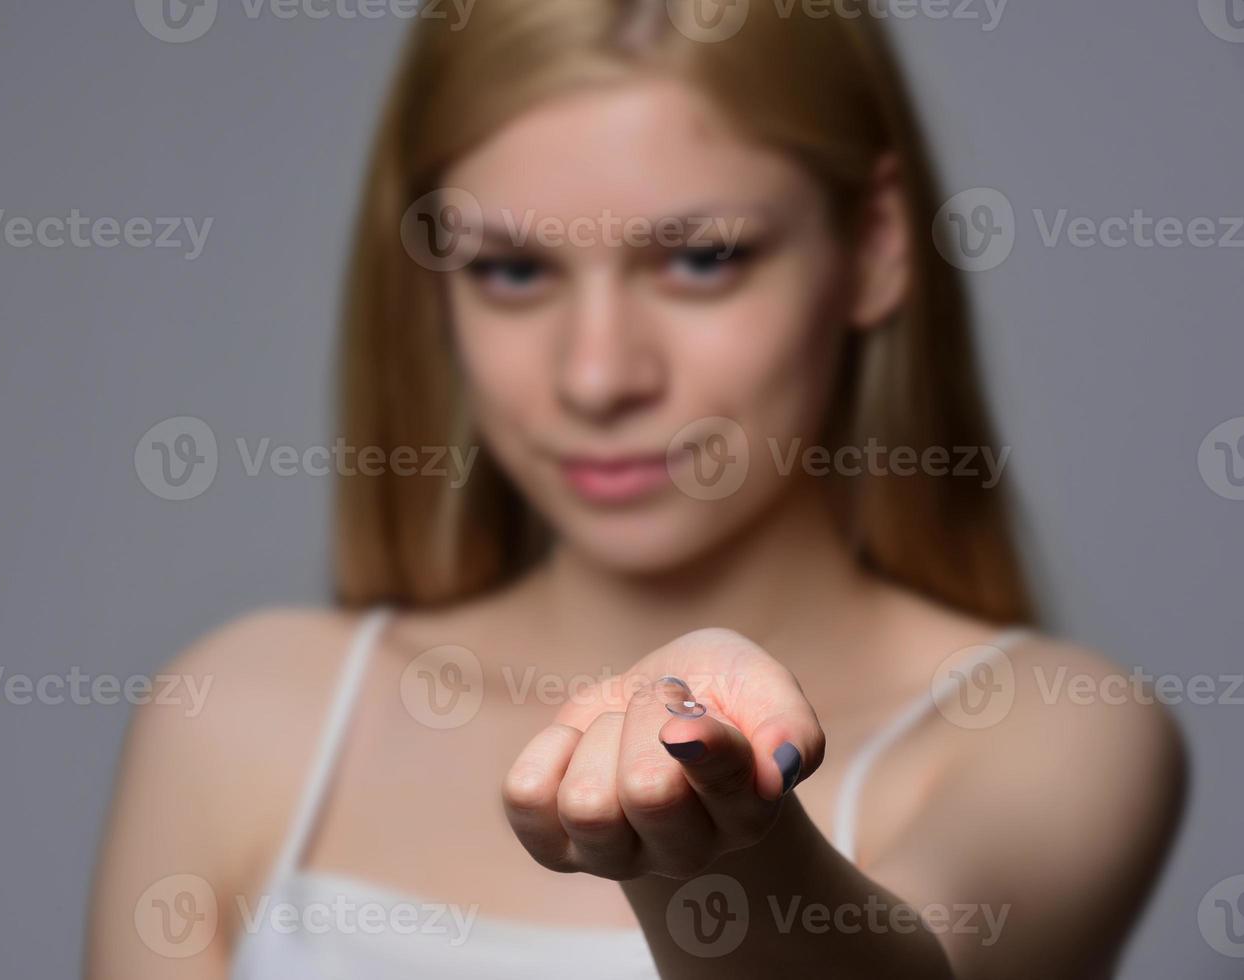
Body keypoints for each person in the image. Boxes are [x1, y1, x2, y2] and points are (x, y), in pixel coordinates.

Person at [87, 1, 1186, 976]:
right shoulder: (240, 714)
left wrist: (725, 853)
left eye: (701, 258)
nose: (598, 375)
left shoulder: (1049, 730)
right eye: (512, 270)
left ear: (875, 244)